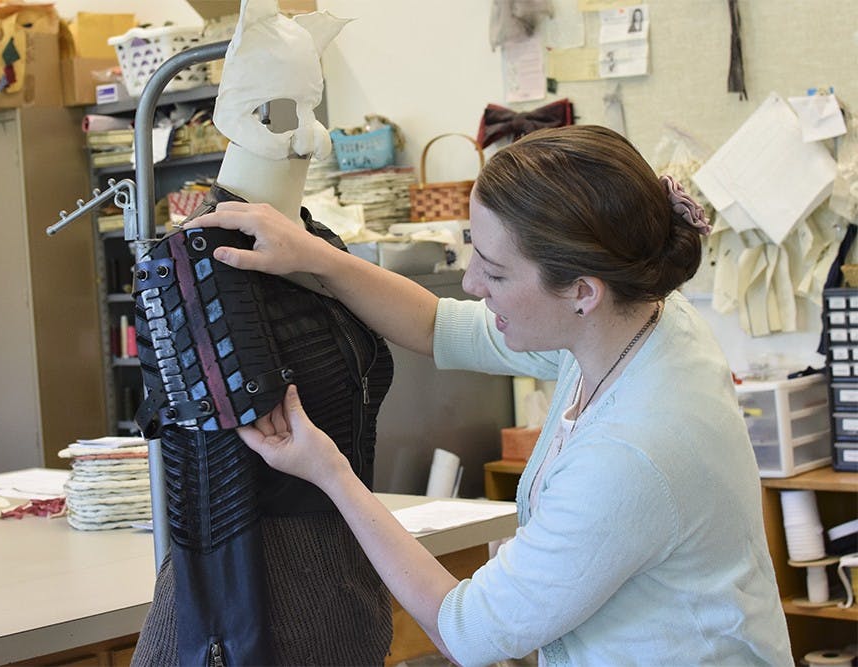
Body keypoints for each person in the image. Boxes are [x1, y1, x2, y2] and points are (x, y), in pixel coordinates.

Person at [194, 125, 794, 666]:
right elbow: (439, 327)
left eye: (496, 271)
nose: (471, 282)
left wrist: (330, 471)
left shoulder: (632, 452)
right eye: (473, 251)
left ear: (582, 290)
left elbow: (468, 631)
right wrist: (317, 257)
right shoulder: (639, 316)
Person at [131, 139, 395, 665]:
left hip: (352, 578)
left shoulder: (318, 244)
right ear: (232, 117)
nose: (309, 126)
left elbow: (438, 329)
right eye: (274, 104)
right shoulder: (192, 265)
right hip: (252, 607)